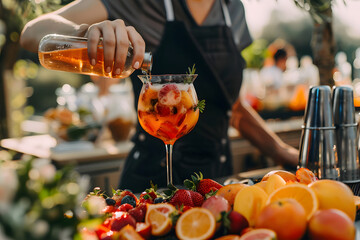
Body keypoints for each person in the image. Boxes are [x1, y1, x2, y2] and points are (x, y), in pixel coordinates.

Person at [20, 0, 299, 192]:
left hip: (217, 179)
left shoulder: (233, 9)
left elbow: (231, 105)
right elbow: (32, 32)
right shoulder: (143, 3)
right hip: (151, 181)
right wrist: (84, 34)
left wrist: (281, 152)